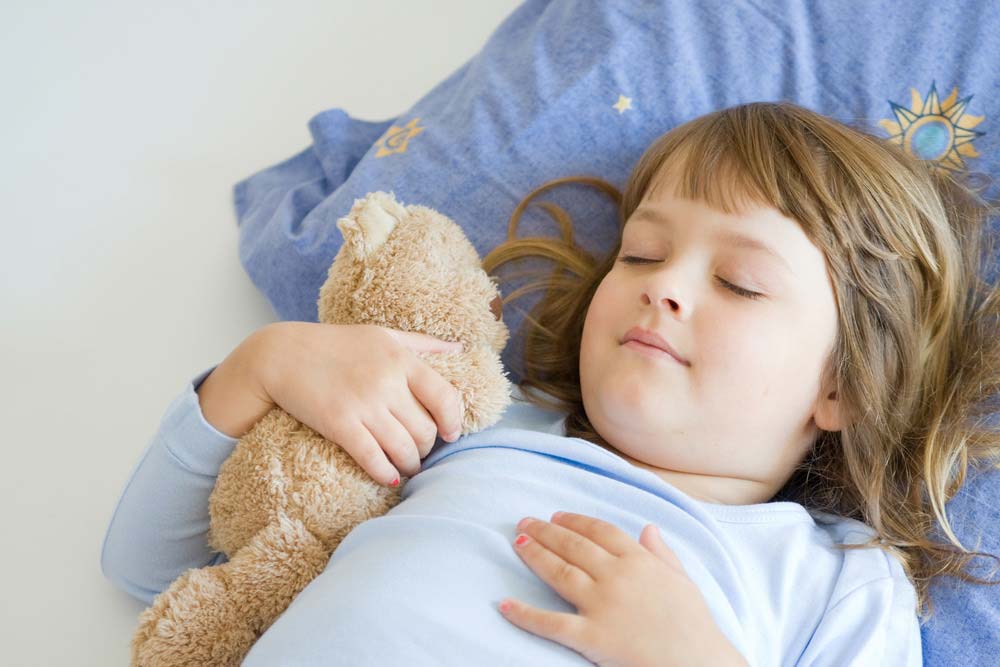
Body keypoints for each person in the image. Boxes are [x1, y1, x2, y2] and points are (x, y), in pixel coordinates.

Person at [101, 101, 1000, 666]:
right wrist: (262, 367)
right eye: (642, 251)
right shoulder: (471, 421)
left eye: (740, 283)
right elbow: (147, 570)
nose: (664, 284)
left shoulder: (833, 578)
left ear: (840, 387)